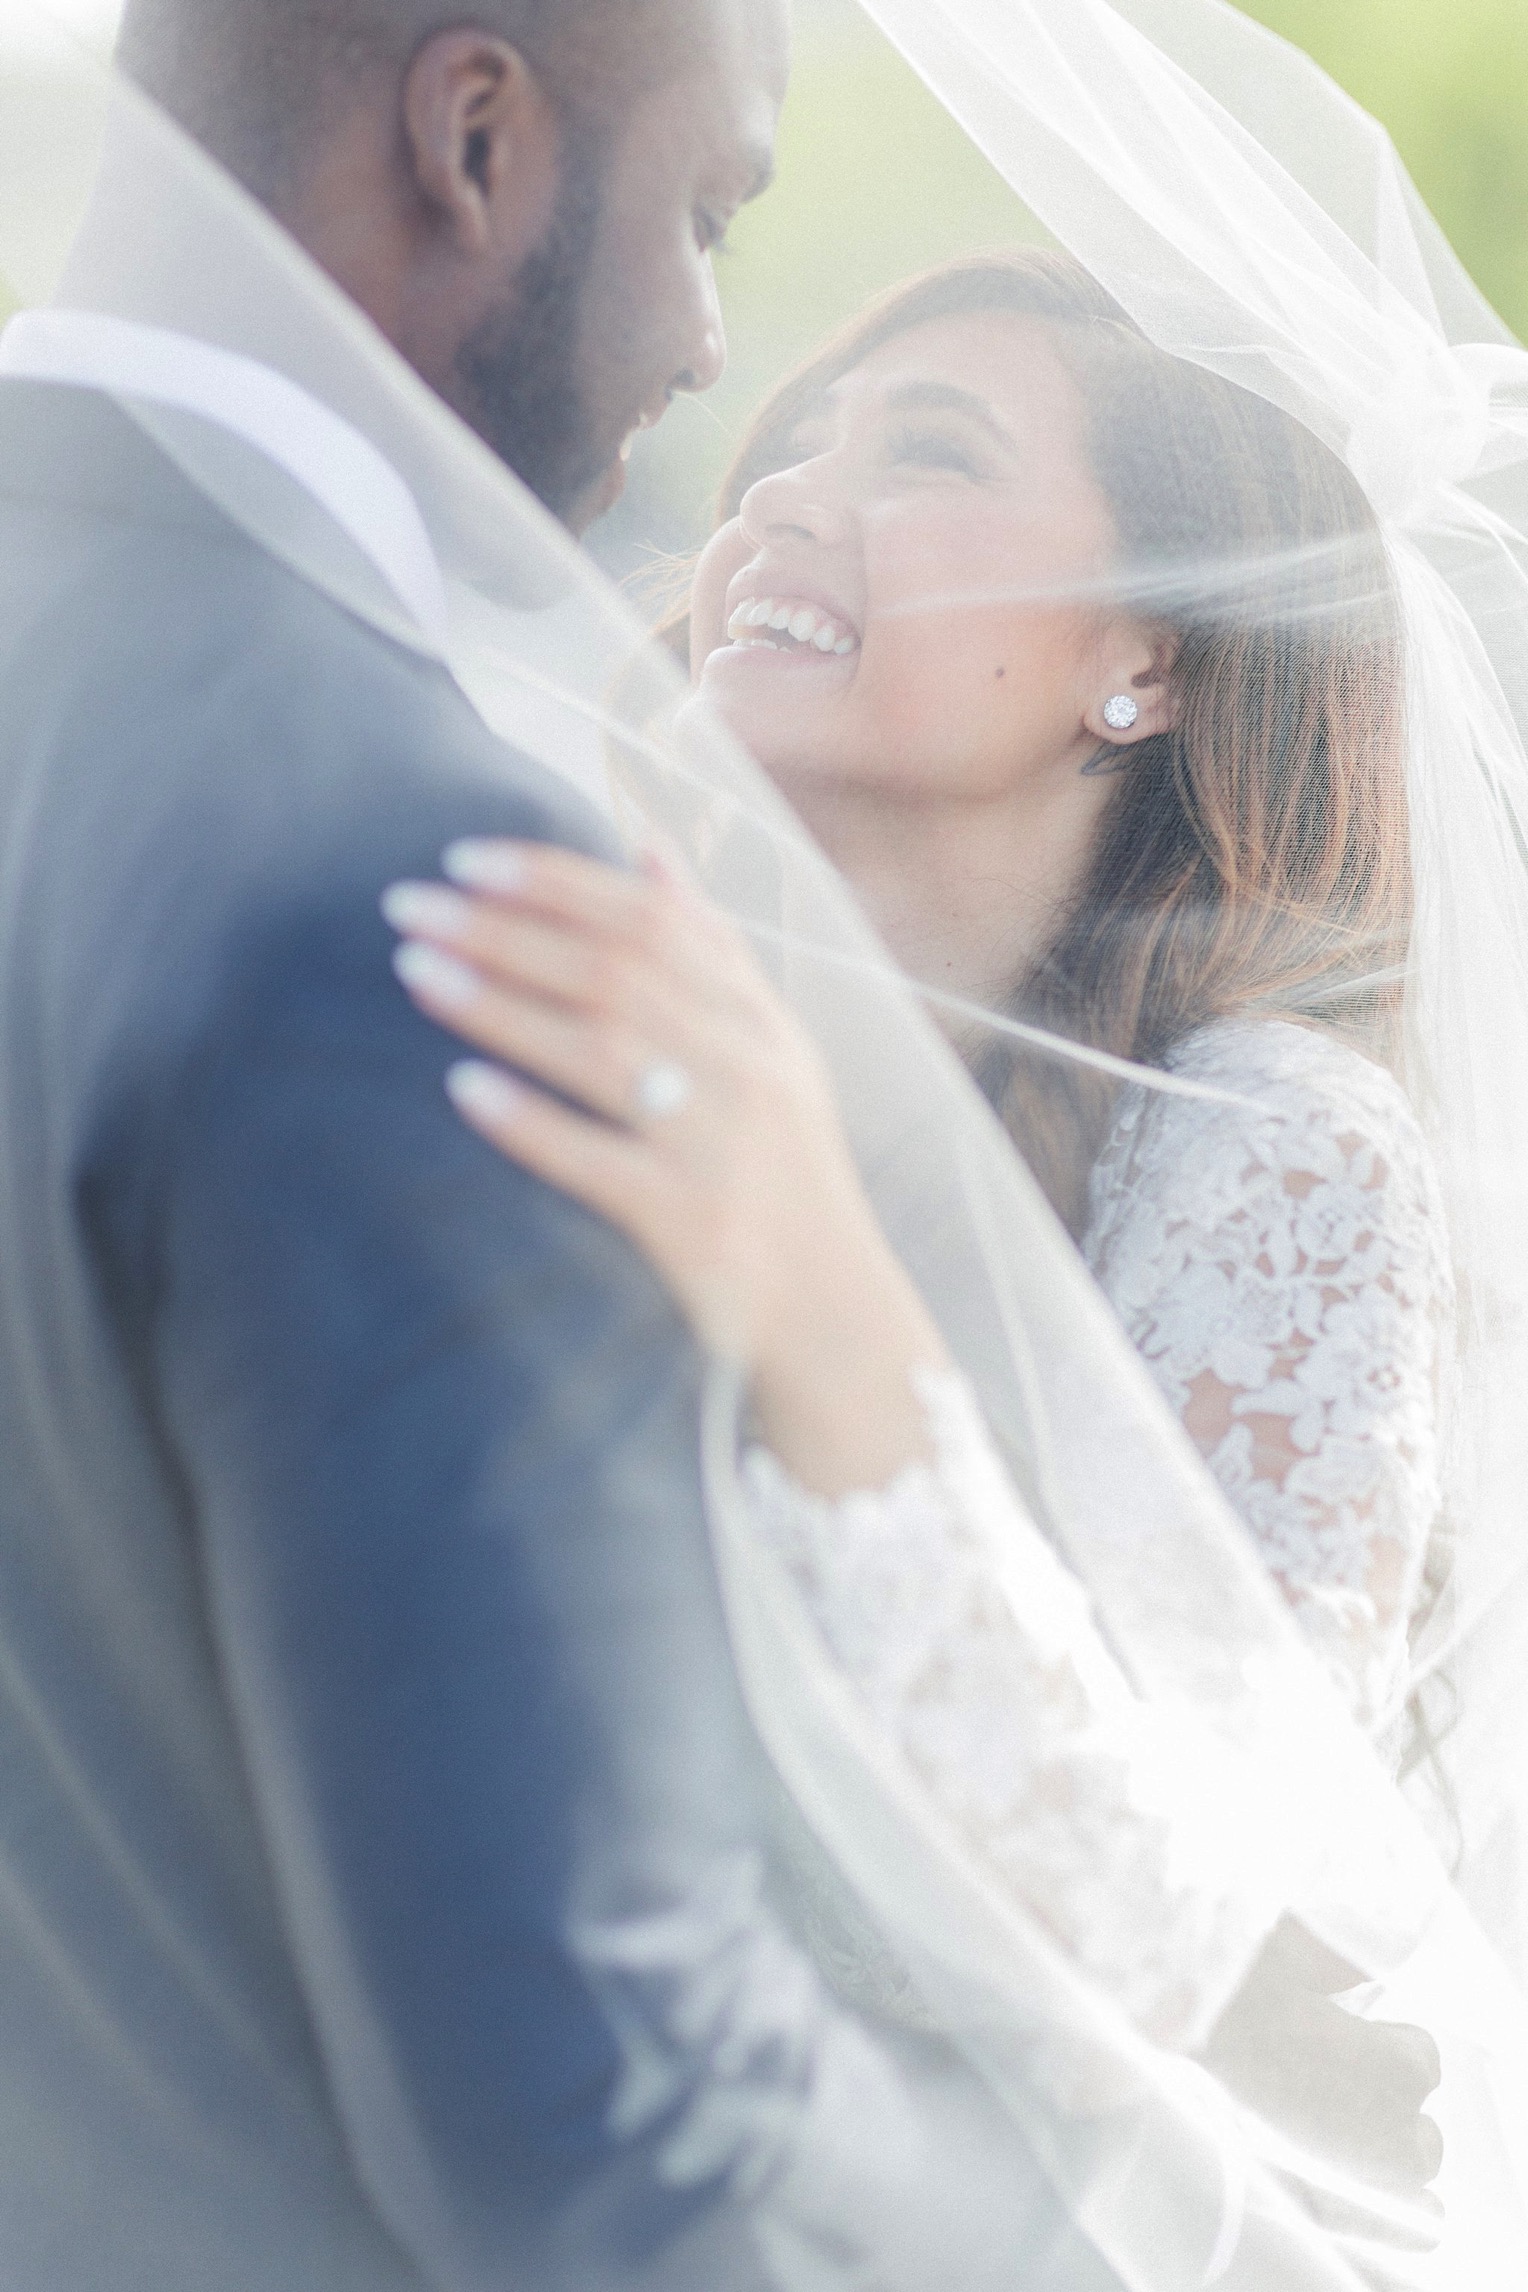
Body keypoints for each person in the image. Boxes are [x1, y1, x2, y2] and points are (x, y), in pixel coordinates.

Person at [0, 5, 1133, 2288]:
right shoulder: (427, 884)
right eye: (709, 215)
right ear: (475, 136)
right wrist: (1114, 2190)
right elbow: (611, 2141)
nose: (717, 356)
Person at [385, 243, 1453, 2146]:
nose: (791, 491)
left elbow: (1172, 1922)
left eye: (932, 454)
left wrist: (816, 1308)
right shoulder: (655, 1037)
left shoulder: (1279, 1146)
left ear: (1148, 661)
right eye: (799, 444)